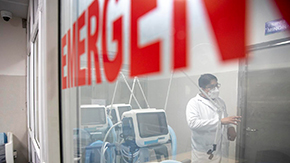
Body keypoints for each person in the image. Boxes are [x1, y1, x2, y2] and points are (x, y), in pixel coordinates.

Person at [186, 74, 241, 163]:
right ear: (201, 88)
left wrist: (230, 127)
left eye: (216, 86)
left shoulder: (220, 101)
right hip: (204, 151)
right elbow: (193, 124)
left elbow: (224, 118)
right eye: (211, 87)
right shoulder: (194, 103)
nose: (215, 89)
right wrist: (220, 122)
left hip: (221, 148)